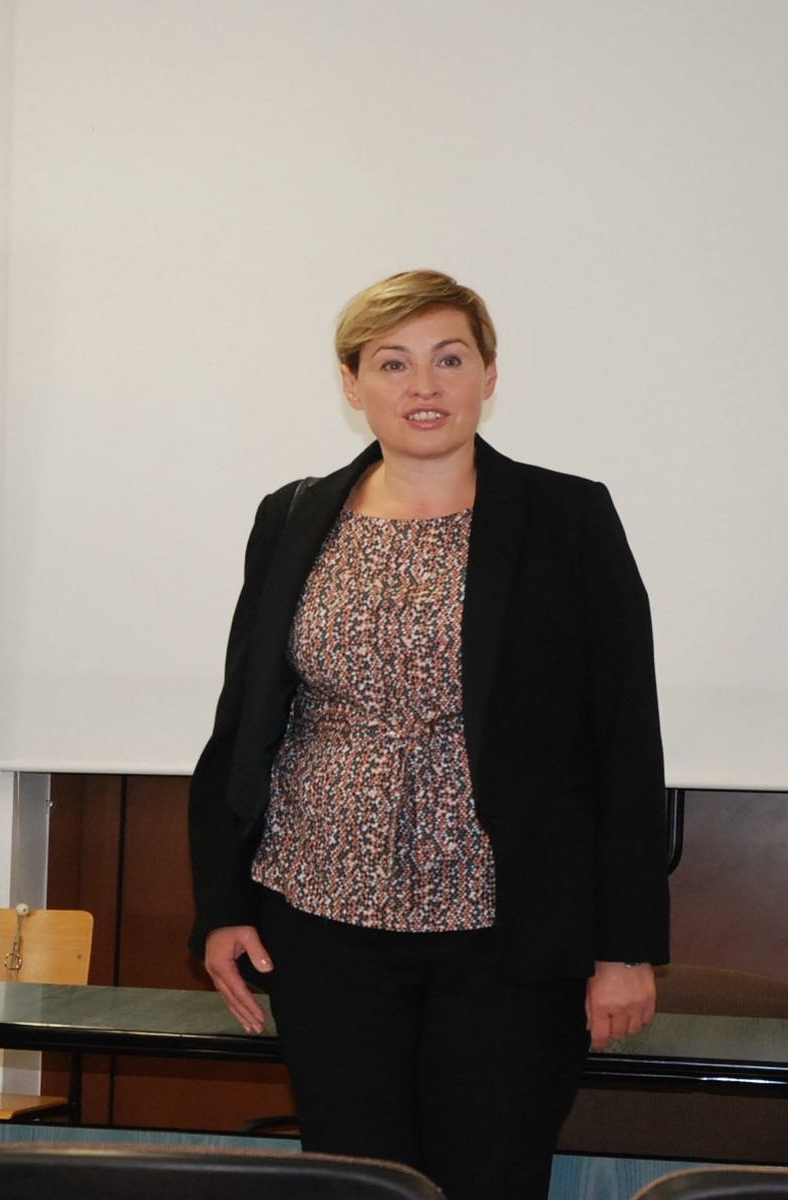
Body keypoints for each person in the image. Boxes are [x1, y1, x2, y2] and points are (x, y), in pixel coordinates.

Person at [188, 270, 669, 1200]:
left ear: (488, 374)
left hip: (506, 930)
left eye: (448, 360)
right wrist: (221, 902)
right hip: (320, 920)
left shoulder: (567, 517)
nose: (423, 387)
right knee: (354, 1182)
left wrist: (624, 946)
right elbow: (243, 721)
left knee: (490, 1177)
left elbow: (624, 736)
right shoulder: (291, 516)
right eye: (392, 363)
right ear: (350, 382)